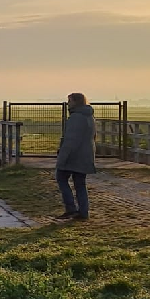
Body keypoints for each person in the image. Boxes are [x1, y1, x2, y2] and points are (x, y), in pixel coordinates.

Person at [54, 92, 96, 220]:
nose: (68, 104)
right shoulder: (89, 116)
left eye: (70, 101)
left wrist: (62, 157)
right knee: (80, 183)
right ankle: (83, 211)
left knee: (61, 178)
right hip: (86, 155)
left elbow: (70, 140)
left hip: (73, 155)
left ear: (75, 102)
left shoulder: (75, 118)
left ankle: (70, 208)